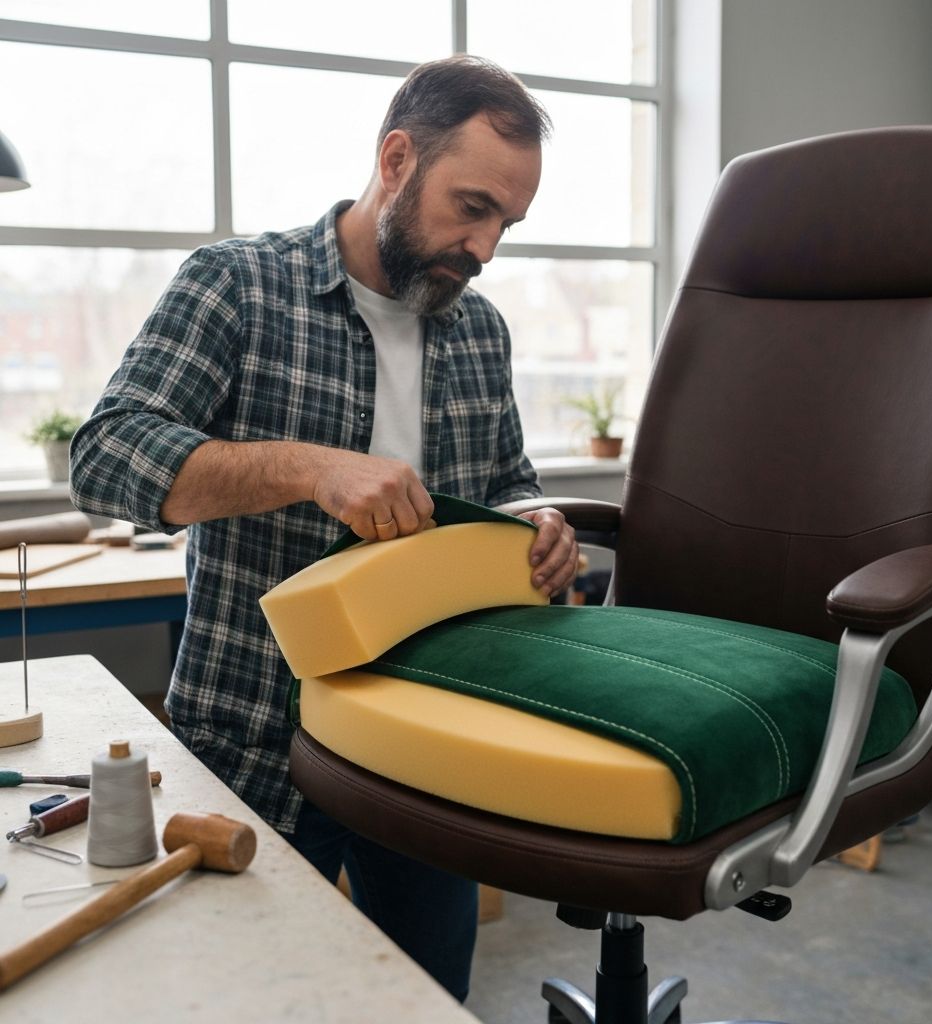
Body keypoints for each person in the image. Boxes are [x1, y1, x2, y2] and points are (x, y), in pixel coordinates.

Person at [70, 55, 578, 1001]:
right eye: (471, 207)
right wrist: (310, 468)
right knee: (245, 1001)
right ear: (395, 160)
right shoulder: (237, 286)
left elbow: (505, 482)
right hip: (257, 744)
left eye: (505, 223)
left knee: (425, 996)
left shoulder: (480, 329)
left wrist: (537, 520)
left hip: (430, 748)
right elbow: (105, 457)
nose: (485, 248)